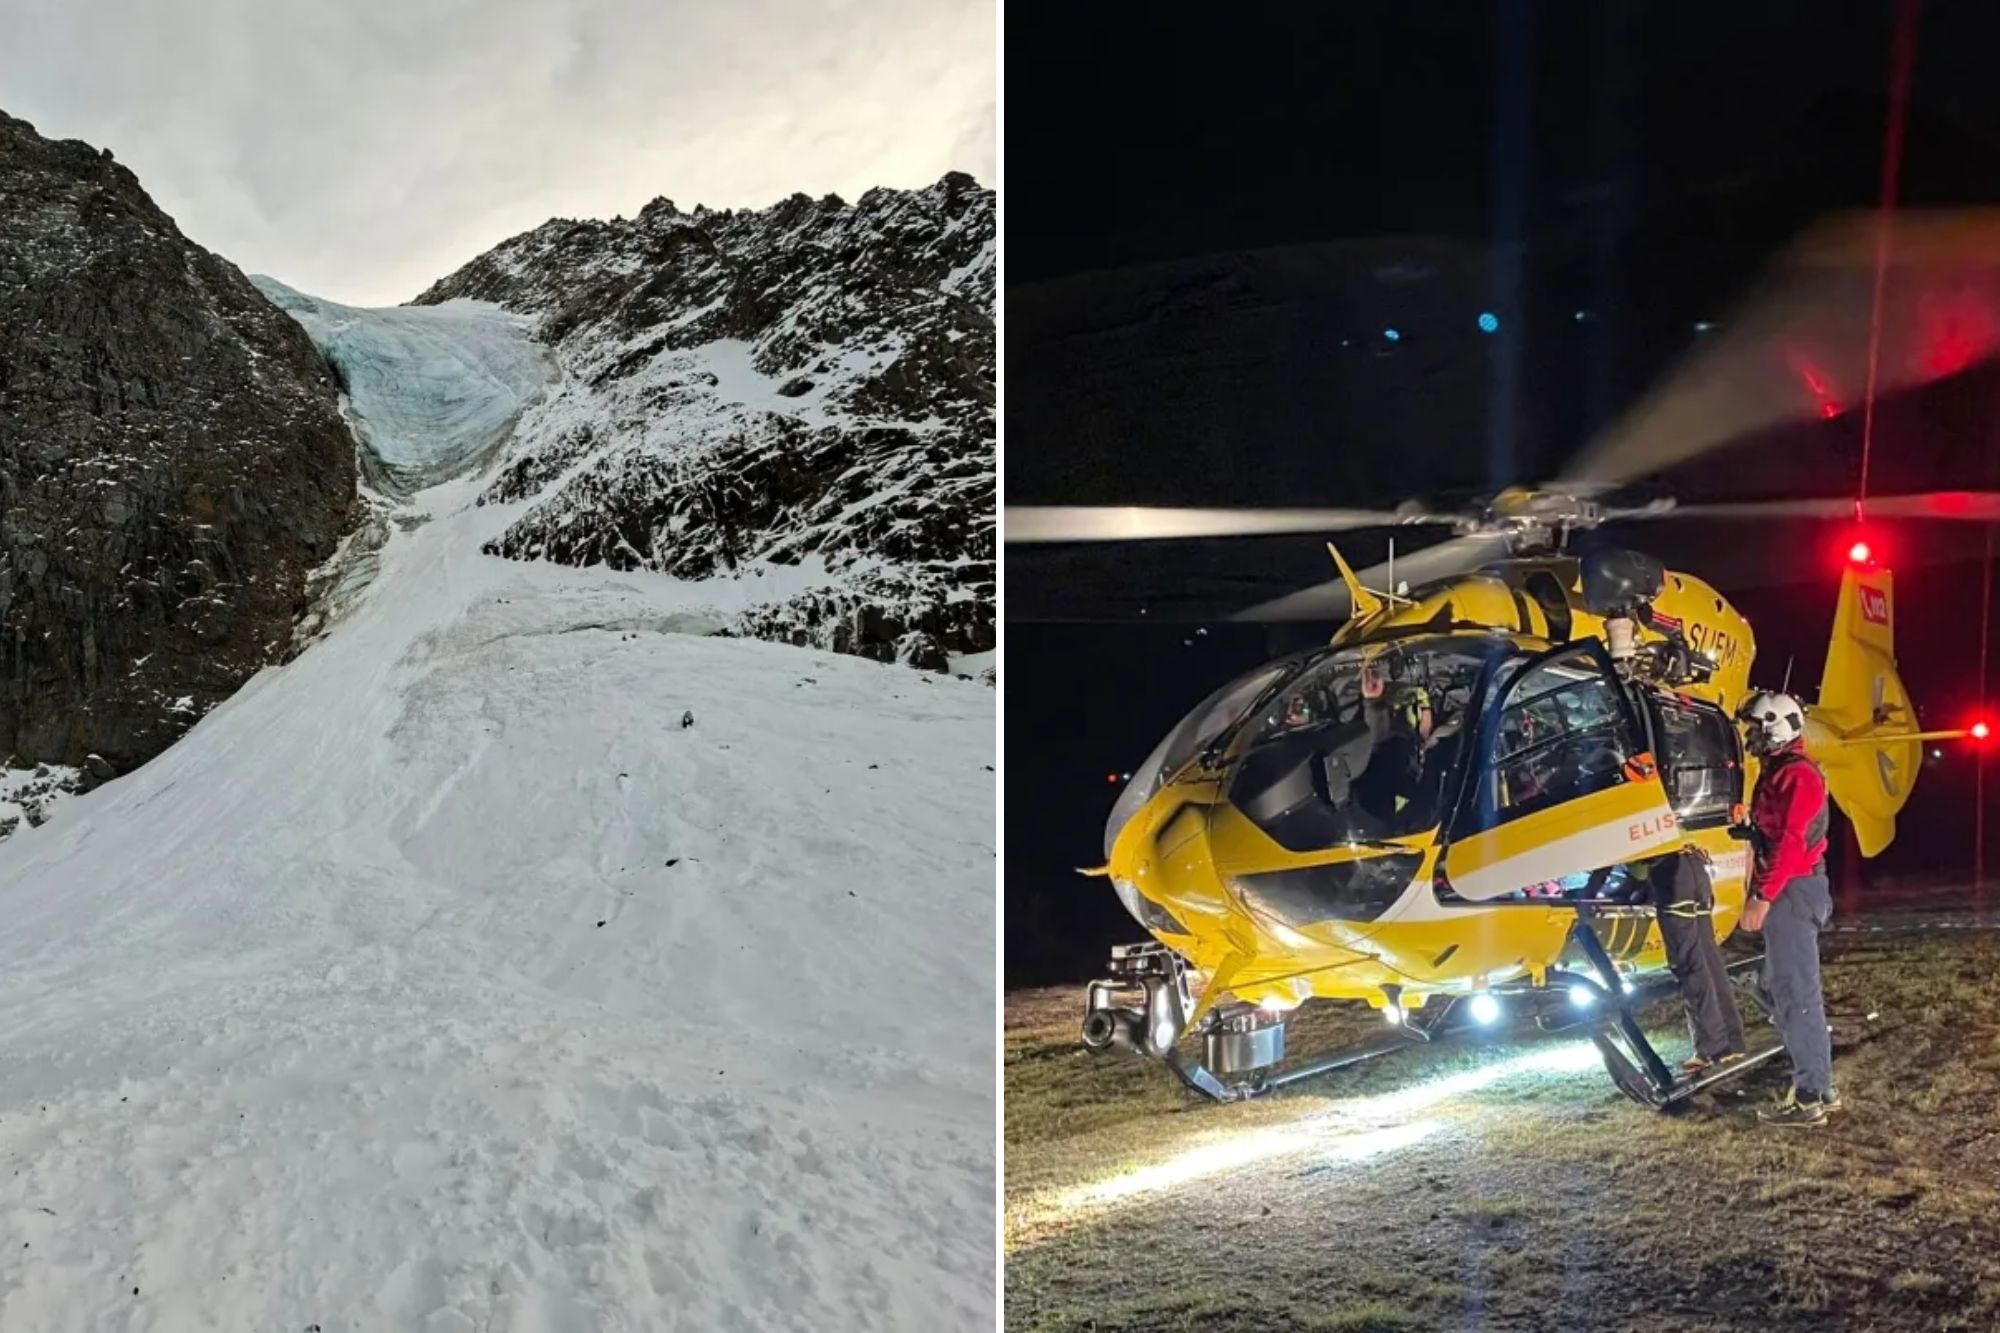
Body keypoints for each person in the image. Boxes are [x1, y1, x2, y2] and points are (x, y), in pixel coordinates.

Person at [1735, 690, 1839, 1126]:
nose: (1750, 736)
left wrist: (1762, 896)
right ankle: (1818, 1087)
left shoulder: (1797, 776)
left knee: (1796, 995)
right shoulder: (1780, 771)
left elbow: (1793, 844)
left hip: (1793, 891)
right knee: (1781, 987)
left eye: (1756, 728)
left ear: (1777, 727)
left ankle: (1812, 1096)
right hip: (1793, 889)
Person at [1638, 847, 1747, 1075]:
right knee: (1709, 961)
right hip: (1694, 868)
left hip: (1673, 878)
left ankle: (1711, 1047)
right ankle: (1731, 1041)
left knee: (1690, 966)